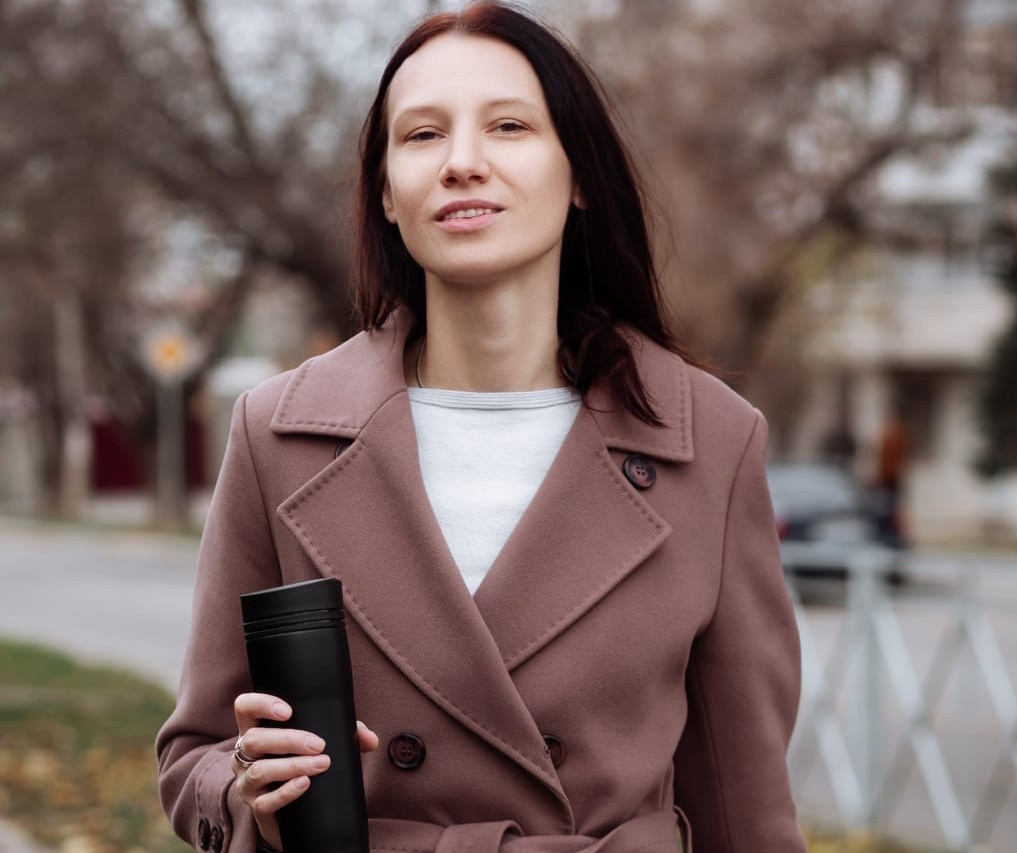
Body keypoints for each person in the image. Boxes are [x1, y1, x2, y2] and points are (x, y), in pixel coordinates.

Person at [156, 4, 806, 853]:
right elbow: (193, 753)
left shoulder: (711, 441)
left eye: (508, 126)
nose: (464, 163)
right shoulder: (279, 432)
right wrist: (248, 787)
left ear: (579, 175)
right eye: (422, 136)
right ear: (388, 193)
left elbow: (745, 804)